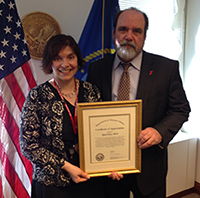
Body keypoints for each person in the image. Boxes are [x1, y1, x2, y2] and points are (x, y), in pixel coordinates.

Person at [86, 7, 191, 198]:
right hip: (109, 167)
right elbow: (90, 113)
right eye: (123, 29)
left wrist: (159, 131)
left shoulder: (166, 68)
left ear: (144, 36)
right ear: (113, 33)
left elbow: (181, 109)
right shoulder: (97, 68)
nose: (129, 36)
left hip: (149, 166)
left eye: (137, 31)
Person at [19, 34, 105, 198]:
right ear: (49, 62)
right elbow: (28, 145)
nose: (65, 64)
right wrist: (66, 166)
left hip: (90, 180)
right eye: (58, 58)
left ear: (77, 59)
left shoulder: (92, 92)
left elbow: (102, 134)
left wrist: (112, 164)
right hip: (53, 184)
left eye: (70, 57)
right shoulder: (37, 96)